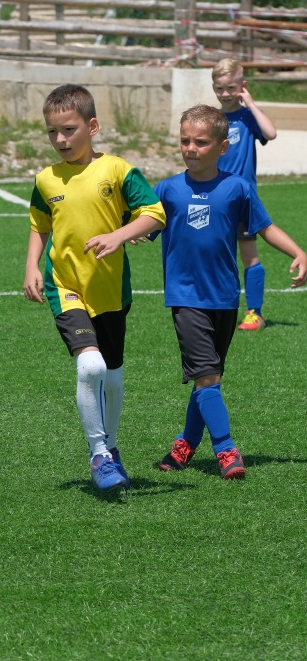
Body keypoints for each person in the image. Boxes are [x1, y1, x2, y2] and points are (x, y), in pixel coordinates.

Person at [22, 84, 167, 495]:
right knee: (91, 367)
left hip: (110, 291)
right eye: (52, 132)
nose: (60, 140)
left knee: (114, 378)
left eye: (68, 130)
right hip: (64, 286)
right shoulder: (46, 179)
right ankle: (99, 453)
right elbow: (40, 224)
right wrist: (32, 265)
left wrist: (119, 235)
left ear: (93, 126)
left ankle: (113, 447)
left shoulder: (118, 170)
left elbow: (155, 213)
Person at [153, 105, 306, 479]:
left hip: (224, 296)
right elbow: (142, 223)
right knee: (206, 375)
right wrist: (123, 235)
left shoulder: (237, 187)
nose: (190, 148)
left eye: (201, 142)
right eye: (185, 140)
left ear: (222, 147)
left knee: (211, 378)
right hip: (185, 297)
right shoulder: (167, 189)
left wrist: (299, 251)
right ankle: (226, 449)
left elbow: (264, 227)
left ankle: (184, 445)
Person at [212, 58, 280, 331]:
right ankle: (217, 311)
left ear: (243, 85)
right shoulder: (212, 120)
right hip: (215, 197)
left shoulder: (248, 117)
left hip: (243, 199)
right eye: (220, 88)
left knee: (249, 255)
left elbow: (271, 133)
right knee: (215, 254)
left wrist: (250, 104)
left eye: (231, 87)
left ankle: (255, 313)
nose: (226, 94)